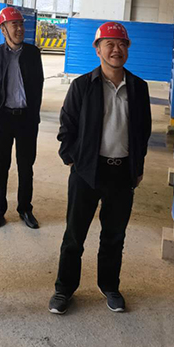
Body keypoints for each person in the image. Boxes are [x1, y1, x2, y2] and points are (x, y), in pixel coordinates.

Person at [49, 22, 151, 315]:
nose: (116, 50)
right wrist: (73, 160)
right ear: (98, 50)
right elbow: (67, 127)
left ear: (127, 49)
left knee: (114, 237)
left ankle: (110, 287)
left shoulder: (138, 88)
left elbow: (143, 131)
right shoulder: (83, 86)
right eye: (109, 44)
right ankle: (64, 289)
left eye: (121, 44)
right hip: (87, 172)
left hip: (122, 173)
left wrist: (137, 166)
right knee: (74, 235)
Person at [0, 6, 44, 230]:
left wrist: (34, 113)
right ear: (3, 29)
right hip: (2, 119)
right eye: (14, 24)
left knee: (26, 167)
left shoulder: (33, 54)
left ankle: (25, 209)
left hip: (26, 119)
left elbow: (38, 84)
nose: (19, 29)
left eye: (21, 24)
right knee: (1, 167)